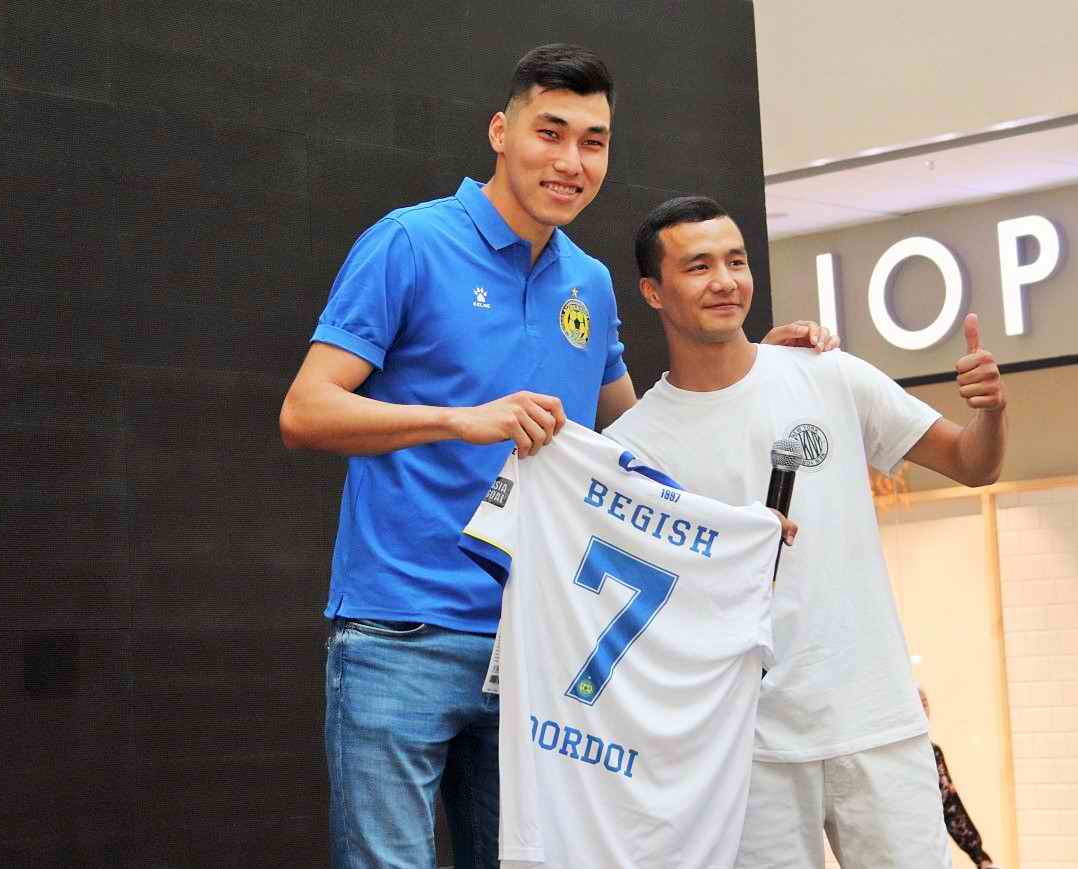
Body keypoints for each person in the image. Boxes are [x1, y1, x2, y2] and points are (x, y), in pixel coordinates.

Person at [279, 45, 833, 868]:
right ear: (501, 132)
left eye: (593, 142)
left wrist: (744, 359)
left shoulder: (590, 282)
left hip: (539, 645)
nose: (572, 161)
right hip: (401, 629)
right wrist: (461, 420)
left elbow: (636, 441)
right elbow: (305, 409)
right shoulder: (409, 243)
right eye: (551, 132)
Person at [603, 196, 1008, 869]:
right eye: (699, 266)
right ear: (653, 291)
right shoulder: (634, 446)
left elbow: (973, 463)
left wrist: (991, 411)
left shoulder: (827, 373)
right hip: (744, 747)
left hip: (878, 722)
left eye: (736, 261)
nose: (725, 281)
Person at [919, 687, 1001, 869]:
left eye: (925, 703)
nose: (923, 708)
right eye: (918, 703)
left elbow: (950, 806)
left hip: (928, 853)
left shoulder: (932, 753)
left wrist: (980, 857)